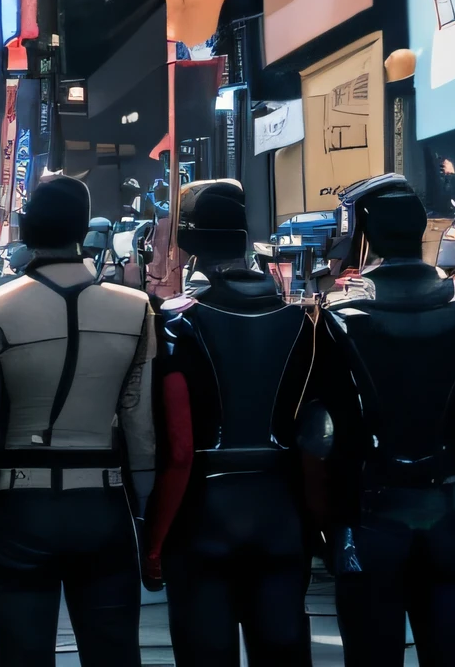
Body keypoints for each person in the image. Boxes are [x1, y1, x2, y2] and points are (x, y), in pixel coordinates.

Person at [0, 173, 157, 667]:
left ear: (24, 227)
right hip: (103, 505)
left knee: (23, 657)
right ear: (85, 229)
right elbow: (140, 425)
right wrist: (146, 514)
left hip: (20, 504)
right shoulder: (136, 309)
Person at [320, 175, 455, 667]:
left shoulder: (338, 315)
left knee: (371, 654)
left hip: (368, 509)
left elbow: (330, 434)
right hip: (452, 505)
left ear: (367, 233)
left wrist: (329, 523)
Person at [141, 180, 337, 667]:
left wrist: (154, 537)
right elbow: (315, 436)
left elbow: (181, 447)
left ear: (188, 243)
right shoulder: (303, 322)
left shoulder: (175, 321)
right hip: (282, 512)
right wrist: (321, 524)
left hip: (202, 516)